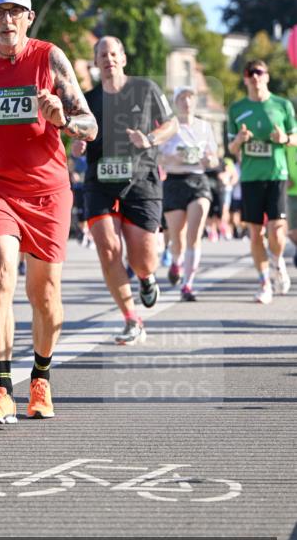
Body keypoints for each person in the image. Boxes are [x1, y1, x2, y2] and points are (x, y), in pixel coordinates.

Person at [0, 0, 97, 424]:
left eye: (16, 11)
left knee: (45, 293)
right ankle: (0, 388)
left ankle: (41, 378)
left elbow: (91, 125)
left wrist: (63, 119)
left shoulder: (49, 58)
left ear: (29, 18)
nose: (7, 20)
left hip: (47, 190)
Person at [73, 36, 178, 345]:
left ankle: (146, 278)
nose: (108, 59)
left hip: (141, 180)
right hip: (99, 182)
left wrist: (150, 138)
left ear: (123, 58)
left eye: (113, 53)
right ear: (95, 62)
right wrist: (77, 144)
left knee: (142, 258)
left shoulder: (145, 89)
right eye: (102, 54)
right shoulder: (87, 99)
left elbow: (171, 124)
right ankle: (132, 319)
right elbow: (76, 136)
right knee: (107, 249)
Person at [228, 59, 297, 303]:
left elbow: (296, 137)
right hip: (250, 177)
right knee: (256, 233)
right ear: (245, 78)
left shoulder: (282, 105)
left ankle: (277, 263)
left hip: (276, 175)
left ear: (266, 76)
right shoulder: (237, 108)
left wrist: (284, 138)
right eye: (250, 73)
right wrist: (240, 139)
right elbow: (231, 146)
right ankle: (264, 281)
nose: (255, 77)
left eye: (259, 72)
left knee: (277, 232)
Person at [159, 86, 219, 300]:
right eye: (182, 98)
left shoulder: (204, 127)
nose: (187, 101)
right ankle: (176, 263)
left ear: (194, 102)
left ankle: (188, 284)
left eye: (190, 97)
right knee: (178, 238)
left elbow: (214, 157)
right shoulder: (169, 127)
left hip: (198, 180)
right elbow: (159, 158)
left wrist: (209, 160)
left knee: (194, 235)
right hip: (175, 181)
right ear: (176, 102)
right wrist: (173, 158)